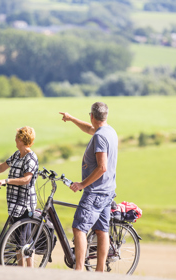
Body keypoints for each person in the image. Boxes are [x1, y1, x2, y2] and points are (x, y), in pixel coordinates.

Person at [59, 102, 118, 272]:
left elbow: (102, 167)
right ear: (105, 116)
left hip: (95, 192)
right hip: (107, 191)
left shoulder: (100, 137)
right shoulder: (109, 131)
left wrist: (82, 184)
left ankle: (79, 272)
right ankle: (99, 272)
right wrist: (71, 119)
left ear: (92, 115)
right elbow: (89, 129)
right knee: (101, 230)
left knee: (79, 227)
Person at [0, 126, 39, 267]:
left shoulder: (31, 158)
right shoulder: (17, 155)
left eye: (17, 138)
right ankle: (21, 271)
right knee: (20, 241)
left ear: (22, 140)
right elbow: (1, 167)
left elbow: (26, 180)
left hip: (25, 204)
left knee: (24, 242)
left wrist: (6, 181)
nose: (15, 140)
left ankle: (28, 272)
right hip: (14, 203)